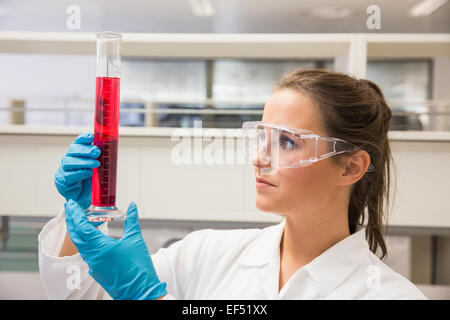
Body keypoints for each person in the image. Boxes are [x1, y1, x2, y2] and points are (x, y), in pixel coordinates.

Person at [38, 69, 427, 300]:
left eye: (287, 142)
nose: (259, 157)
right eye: (262, 137)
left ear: (350, 168)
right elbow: (81, 295)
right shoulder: (207, 255)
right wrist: (81, 218)